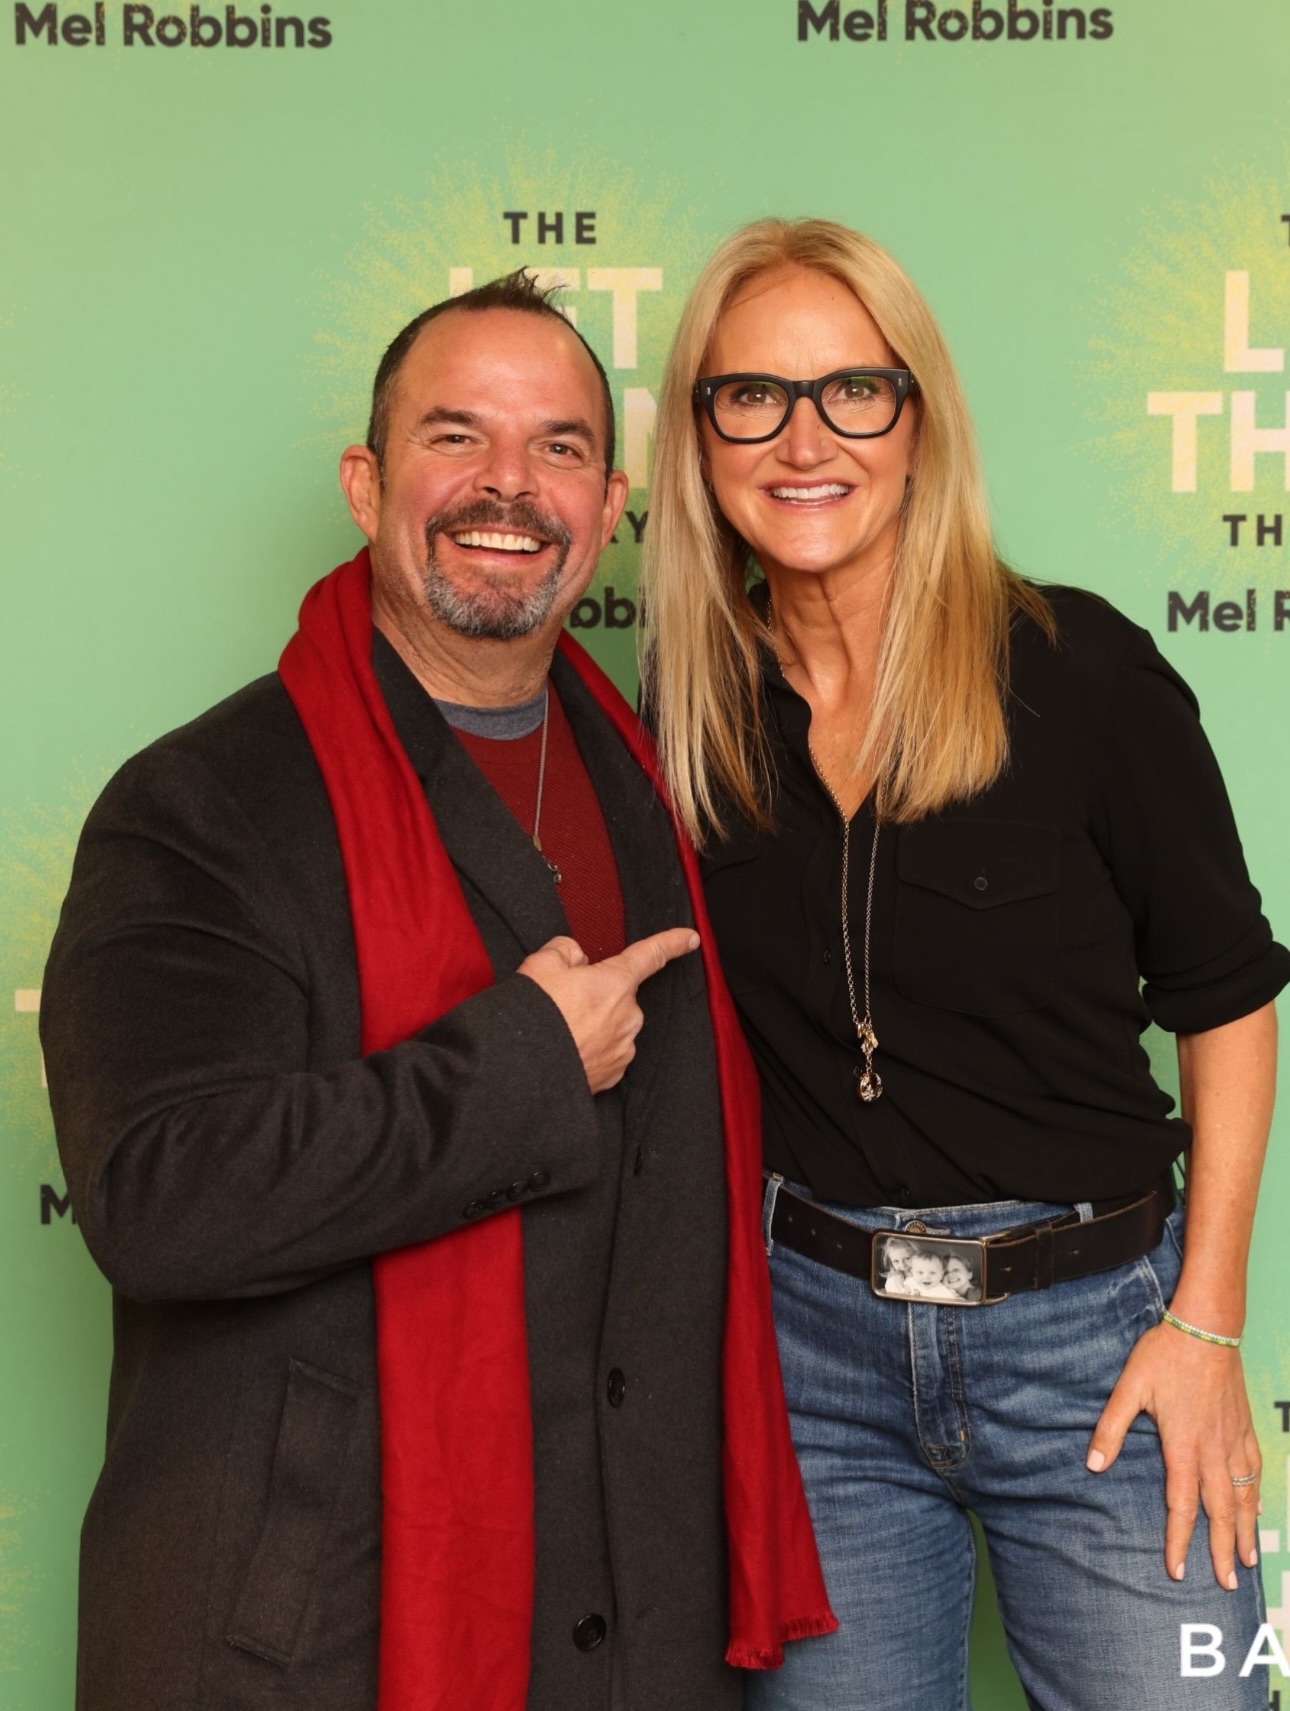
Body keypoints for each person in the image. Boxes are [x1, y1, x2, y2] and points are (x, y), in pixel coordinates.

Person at [40, 270, 834, 1711]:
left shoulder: (657, 787)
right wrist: (524, 1063)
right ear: (366, 483)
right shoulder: (203, 804)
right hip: (314, 1638)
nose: (508, 485)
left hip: (635, 1639)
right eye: (455, 436)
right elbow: (160, 1198)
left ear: (607, 507)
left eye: (559, 447)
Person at [641, 218, 1288, 1710]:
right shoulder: (689, 702)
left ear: (918, 421)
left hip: (1100, 1342)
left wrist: (1205, 1324)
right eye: (753, 396)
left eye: (853, 392)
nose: (804, 440)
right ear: (700, 437)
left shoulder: (1083, 669)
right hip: (812, 1362)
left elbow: (1228, 1000)